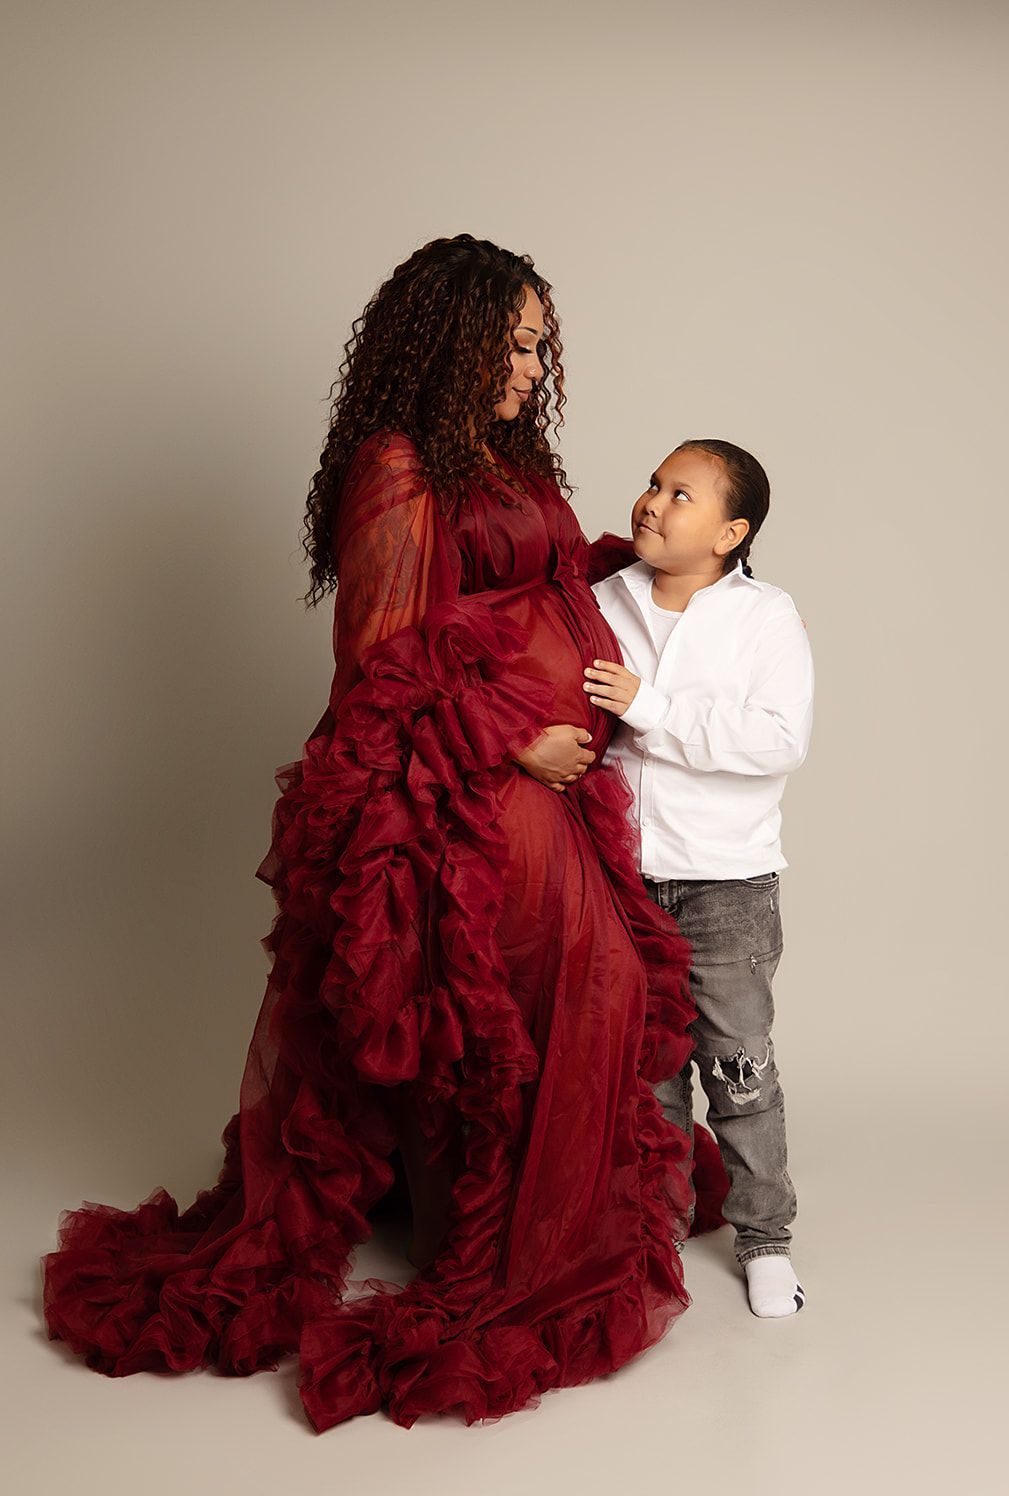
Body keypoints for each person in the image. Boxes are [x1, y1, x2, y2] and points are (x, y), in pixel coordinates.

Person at [40, 236, 728, 1431]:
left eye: (539, 346)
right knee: (535, 985)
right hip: (459, 776)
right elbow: (382, 657)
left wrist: (650, 564)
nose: (535, 367)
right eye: (518, 345)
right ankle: (503, 1235)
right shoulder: (397, 467)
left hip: (553, 775)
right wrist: (516, 737)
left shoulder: (498, 453)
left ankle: (527, 1212)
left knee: (598, 978)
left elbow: (538, 575)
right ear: (457, 341)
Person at [583, 438, 815, 1317]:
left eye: (681, 493)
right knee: (647, 1074)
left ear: (729, 533)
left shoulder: (764, 617)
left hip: (725, 884)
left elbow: (777, 740)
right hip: (619, 877)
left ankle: (765, 1239)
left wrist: (650, 709)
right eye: (652, 483)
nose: (652, 501)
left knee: (738, 1070)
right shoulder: (603, 601)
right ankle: (662, 1228)